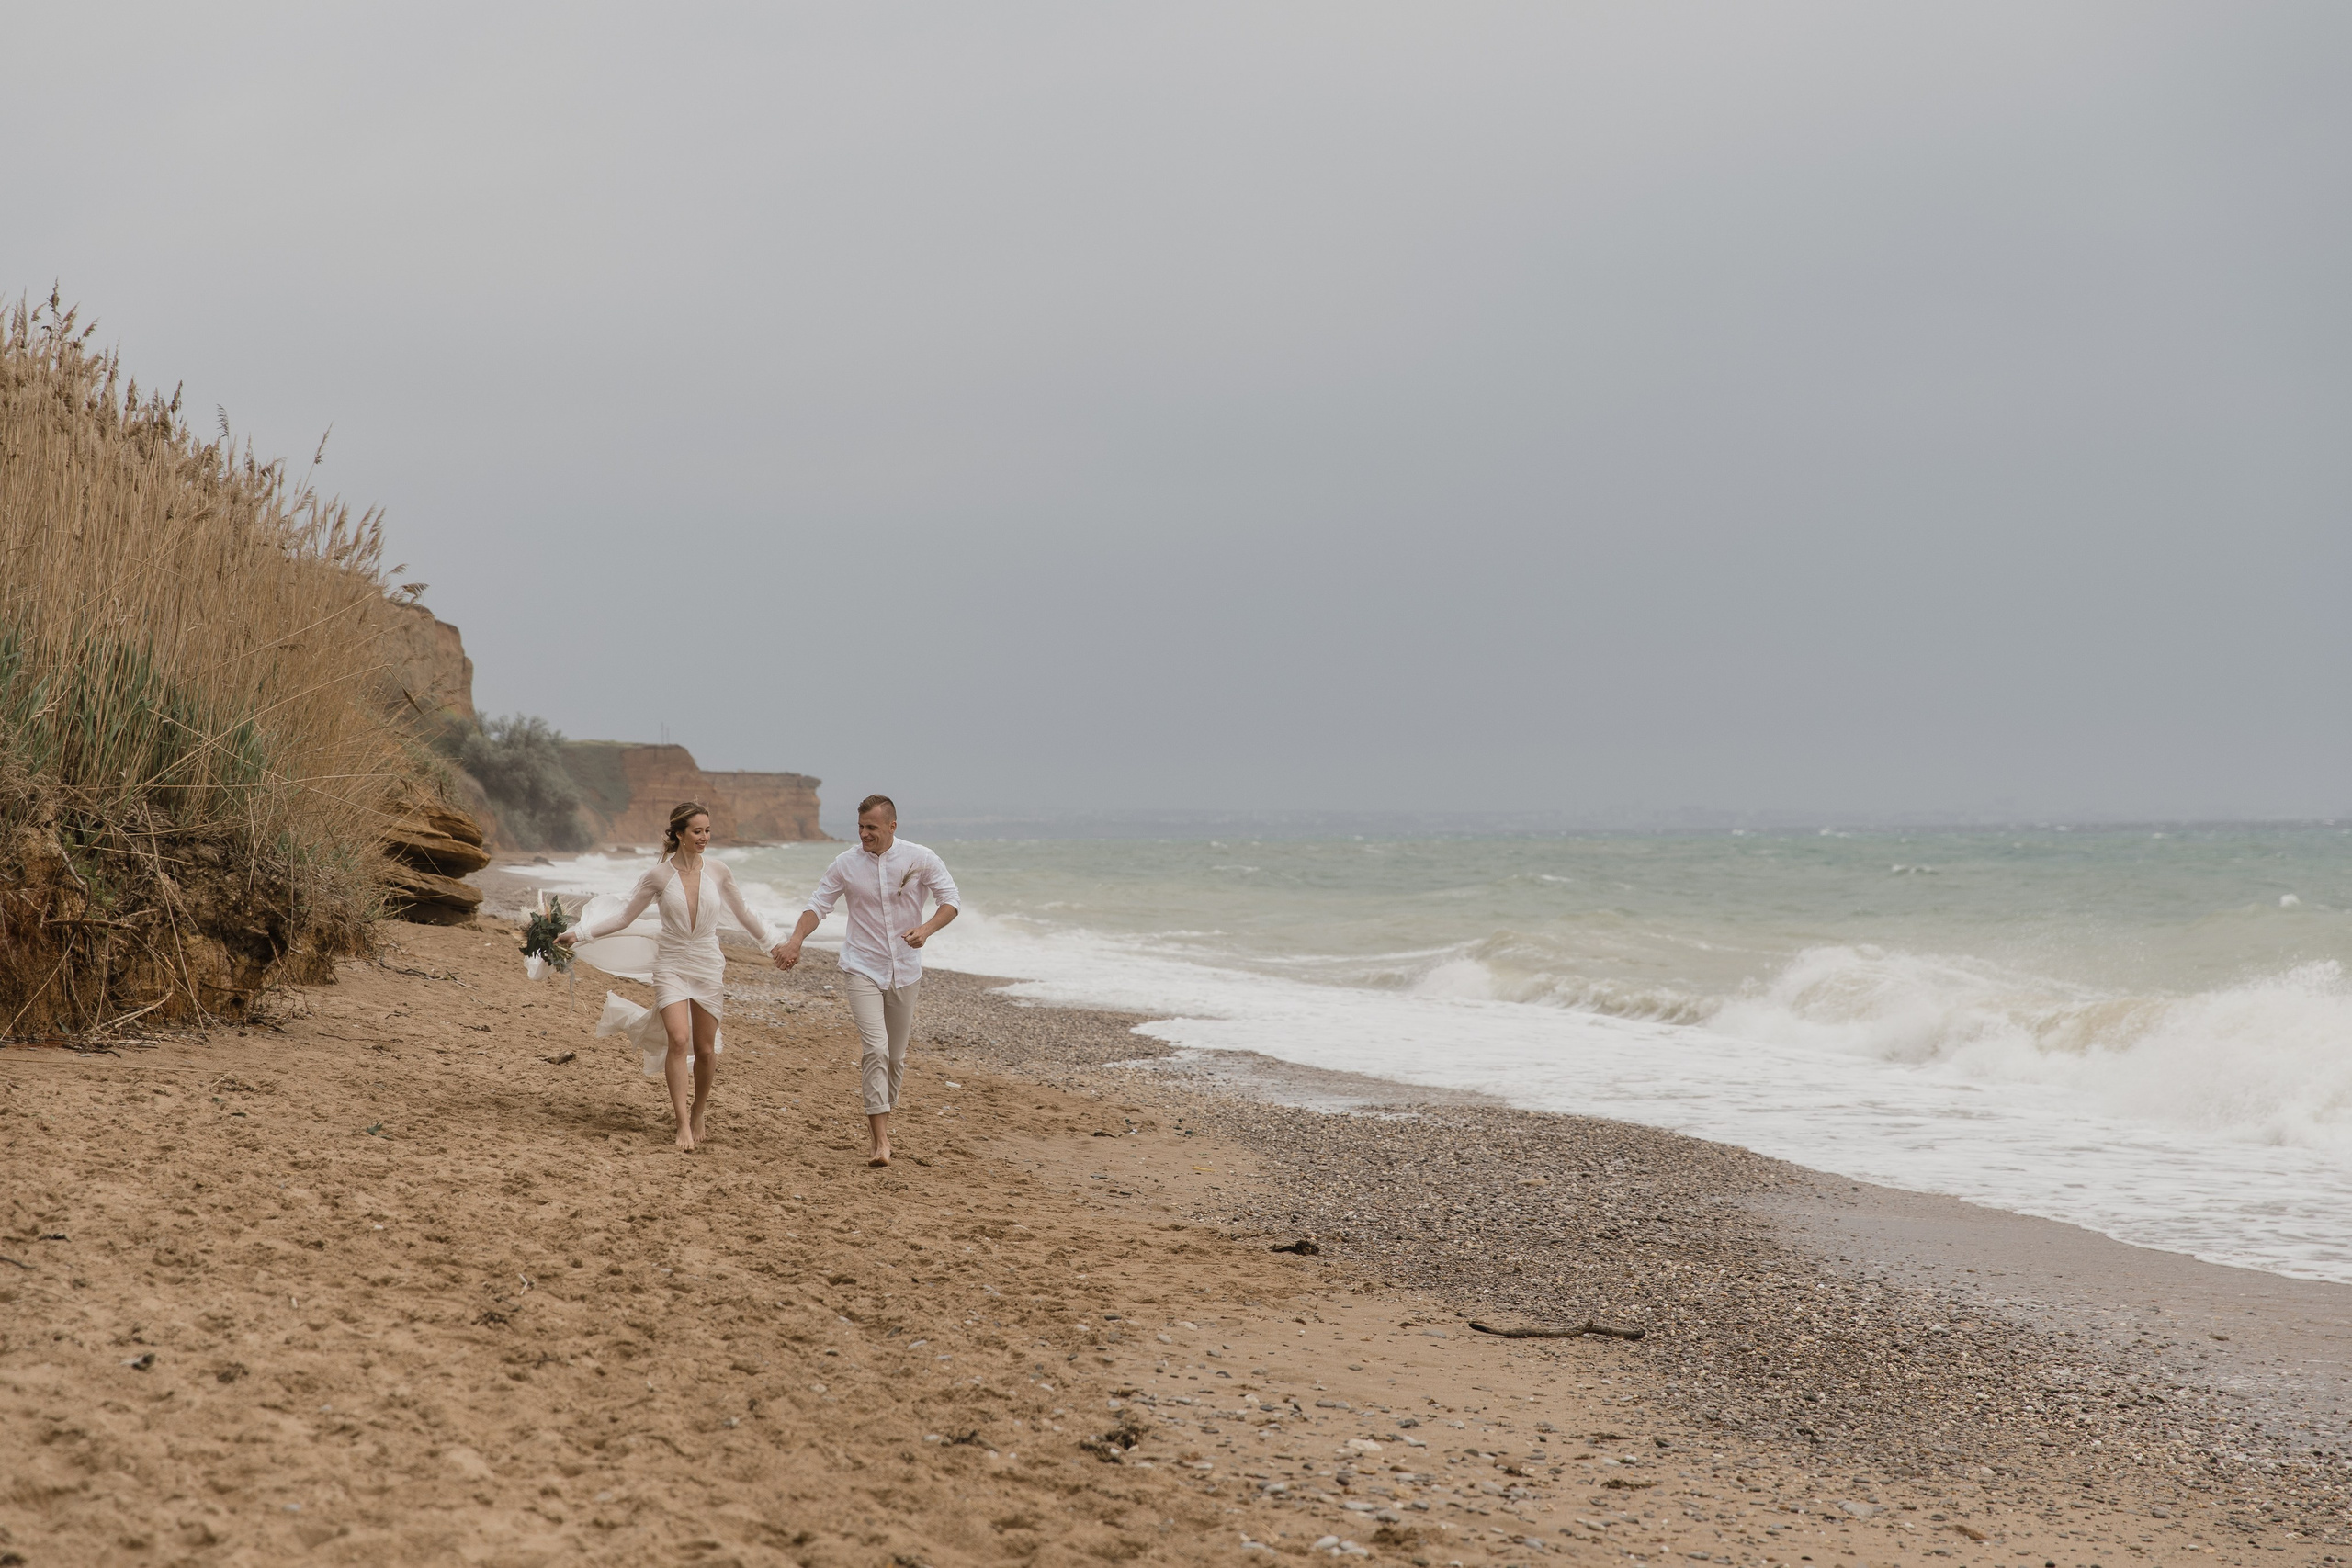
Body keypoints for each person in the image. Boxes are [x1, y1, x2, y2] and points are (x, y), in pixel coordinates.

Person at [560, 801, 788, 1151]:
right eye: (697, 831)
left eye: (708, 831)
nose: (705, 837)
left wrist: (774, 944)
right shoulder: (659, 876)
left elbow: (744, 913)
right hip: (671, 963)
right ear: (679, 834)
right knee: (679, 1040)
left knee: (706, 1049)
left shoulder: (718, 871)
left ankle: (699, 1111)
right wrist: (580, 933)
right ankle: (682, 1122)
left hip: (708, 963)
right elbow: (623, 916)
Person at [778, 795, 960, 1166]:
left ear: (892, 826)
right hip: (861, 966)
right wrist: (796, 939)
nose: (864, 834)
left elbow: (951, 901)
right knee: (875, 1049)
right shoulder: (846, 864)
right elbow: (818, 905)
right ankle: (880, 1140)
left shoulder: (920, 858)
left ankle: (883, 1119)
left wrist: (925, 930)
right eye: (860, 827)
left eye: (872, 828)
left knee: (895, 1057)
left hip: (906, 969)